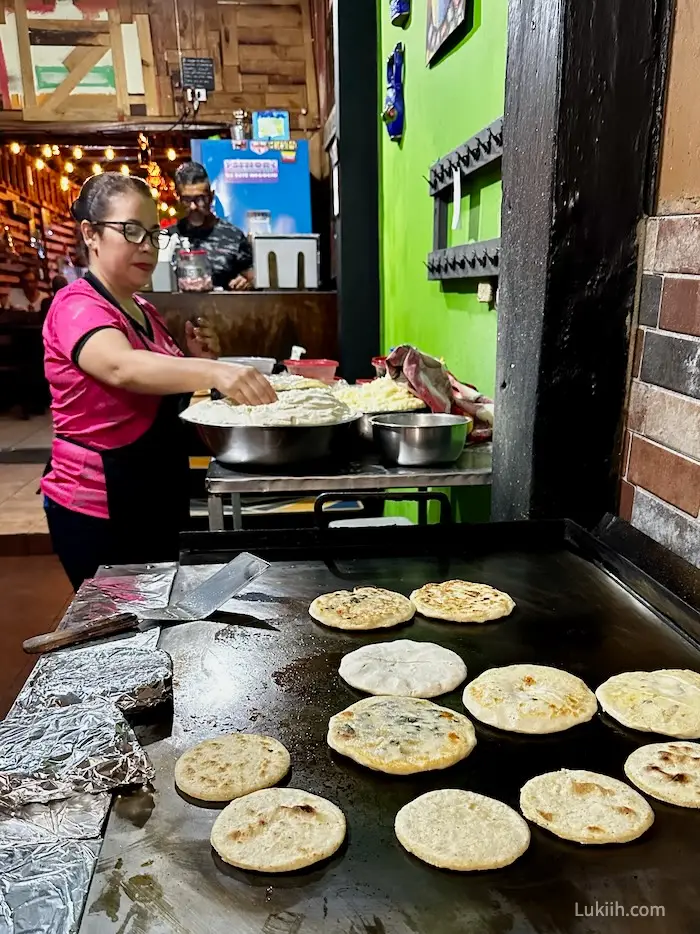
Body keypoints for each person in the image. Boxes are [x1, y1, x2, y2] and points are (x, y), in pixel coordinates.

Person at [42, 172, 276, 590]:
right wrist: (215, 370)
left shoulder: (143, 310)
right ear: (90, 234)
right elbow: (121, 367)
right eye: (131, 230)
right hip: (100, 507)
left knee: (158, 617)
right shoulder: (76, 305)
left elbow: (153, 389)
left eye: (153, 233)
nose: (147, 246)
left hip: (153, 493)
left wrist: (196, 360)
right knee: (120, 631)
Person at [171, 161, 255, 290]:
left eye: (200, 199)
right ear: (178, 199)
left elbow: (252, 277)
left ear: (211, 197)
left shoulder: (234, 237)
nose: (193, 207)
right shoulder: (168, 238)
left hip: (223, 308)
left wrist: (247, 281)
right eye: (187, 200)